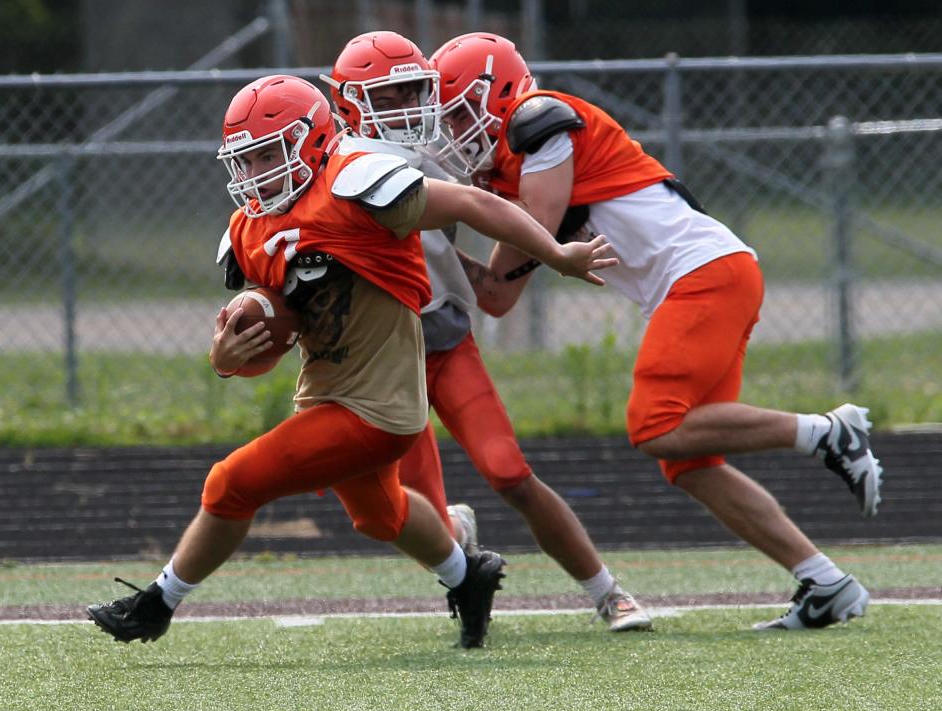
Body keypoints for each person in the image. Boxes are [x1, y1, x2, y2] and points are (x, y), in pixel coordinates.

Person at [85, 74, 617, 649]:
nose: (257, 170)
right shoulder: (250, 227)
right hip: (327, 392)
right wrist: (225, 356)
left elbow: (471, 201)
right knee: (380, 516)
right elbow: (268, 333)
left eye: (269, 151)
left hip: (381, 406)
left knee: (231, 483)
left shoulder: (357, 186)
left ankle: (157, 604)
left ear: (312, 139)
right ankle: (468, 577)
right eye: (245, 158)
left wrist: (557, 254)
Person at [429, 32, 885, 631]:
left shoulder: (539, 122)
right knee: (688, 460)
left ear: (501, 93)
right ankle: (826, 583)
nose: (453, 131)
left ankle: (827, 432)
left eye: (461, 112)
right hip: (706, 280)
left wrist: (455, 205)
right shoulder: (506, 178)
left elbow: (538, 228)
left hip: (703, 275)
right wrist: (430, 237)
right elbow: (496, 295)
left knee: (655, 425)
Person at [320, 30, 652, 631]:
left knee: (509, 473)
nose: (407, 110)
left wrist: (552, 252)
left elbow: (490, 211)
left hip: (444, 339)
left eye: (412, 92)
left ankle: (607, 590)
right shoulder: (334, 174)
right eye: (388, 97)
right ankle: (459, 548)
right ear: (348, 104)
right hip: (382, 363)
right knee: (410, 513)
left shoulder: (433, 156)